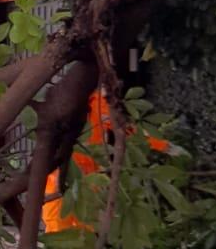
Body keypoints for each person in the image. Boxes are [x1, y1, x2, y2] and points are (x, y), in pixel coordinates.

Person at [42, 87, 170, 233]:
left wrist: (162, 145)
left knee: (86, 229)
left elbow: (128, 130)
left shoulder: (100, 105)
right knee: (58, 227)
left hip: (89, 179)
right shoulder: (63, 103)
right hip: (60, 179)